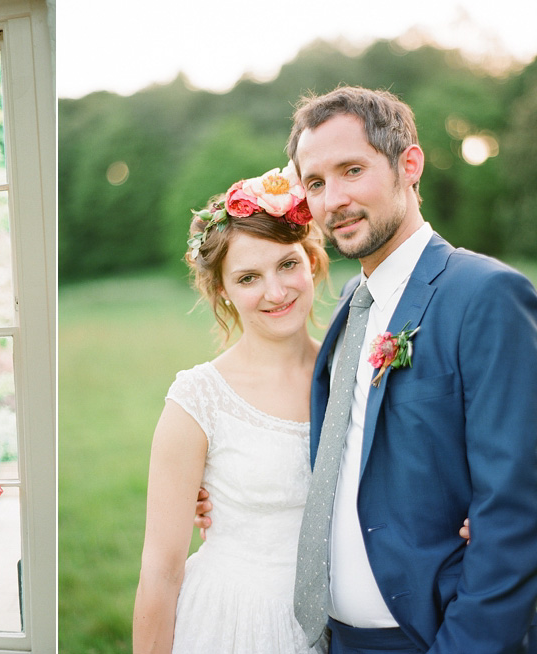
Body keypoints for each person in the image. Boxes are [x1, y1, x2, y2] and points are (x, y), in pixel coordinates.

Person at [198, 85, 537, 653]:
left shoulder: (485, 296)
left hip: (434, 637)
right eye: (315, 183)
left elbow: (516, 514)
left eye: (352, 170)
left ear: (409, 164)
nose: (334, 200)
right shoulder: (351, 305)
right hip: (338, 641)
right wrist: (225, 493)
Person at [133, 163, 331, 654]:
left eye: (287, 264)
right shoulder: (199, 399)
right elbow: (160, 571)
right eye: (248, 277)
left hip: (344, 622)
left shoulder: (351, 366)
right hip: (237, 623)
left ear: (311, 260)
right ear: (222, 290)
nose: (276, 291)